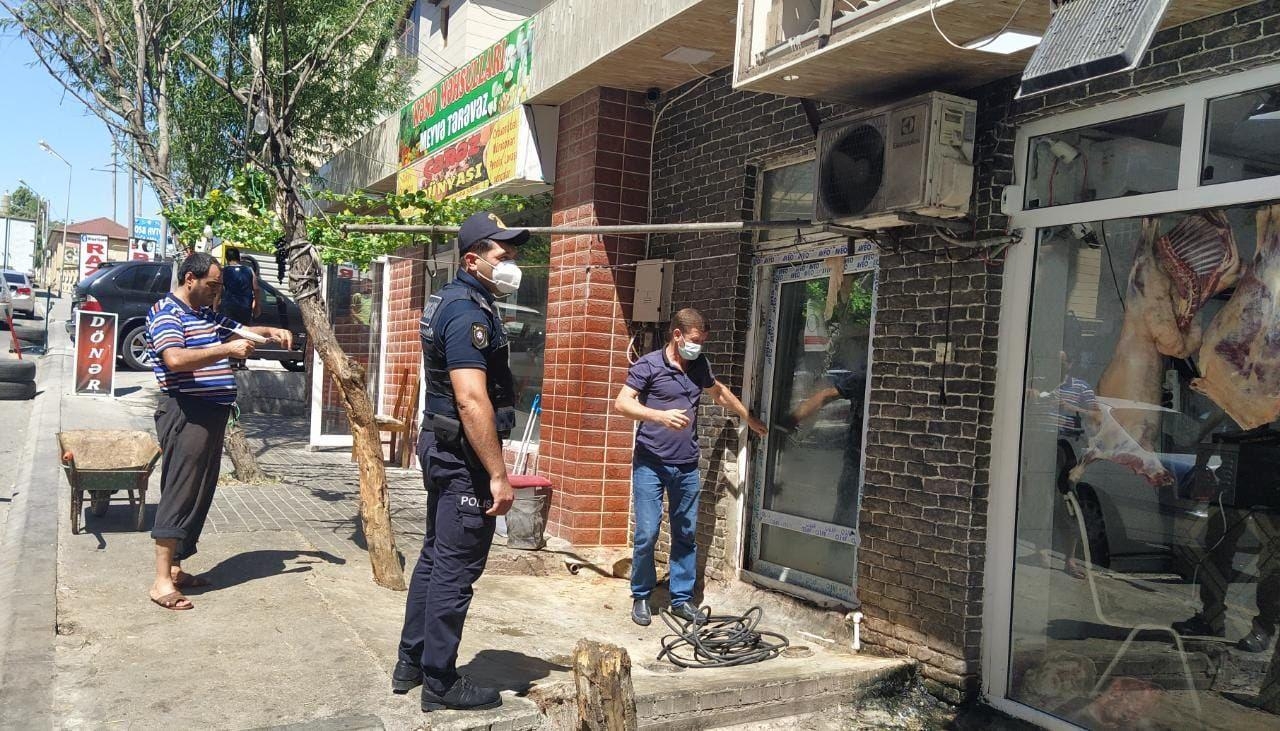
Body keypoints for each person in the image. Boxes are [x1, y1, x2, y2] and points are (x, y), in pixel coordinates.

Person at [394, 211, 526, 712]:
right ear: (473, 259)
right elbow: (472, 399)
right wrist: (497, 473)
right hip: (462, 456)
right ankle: (441, 682)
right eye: (502, 254)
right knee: (455, 567)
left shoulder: (457, 301)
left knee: (434, 557)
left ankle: (411, 662)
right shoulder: (467, 312)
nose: (511, 262)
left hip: (443, 446)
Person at [144, 252, 292, 611]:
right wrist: (227, 349)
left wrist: (268, 331)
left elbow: (238, 330)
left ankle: (176, 568)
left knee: (199, 492)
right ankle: (161, 580)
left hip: (210, 413)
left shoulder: (203, 314)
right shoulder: (168, 313)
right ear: (190, 279)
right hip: (186, 412)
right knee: (180, 490)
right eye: (212, 285)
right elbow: (175, 359)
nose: (217, 292)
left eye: (220, 286)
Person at [614, 308, 768, 626]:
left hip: (686, 466)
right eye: (695, 341)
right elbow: (622, 403)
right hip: (650, 464)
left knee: (685, 533)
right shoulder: (649, 365)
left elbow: (719, 392)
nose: (698, 347)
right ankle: (641, 595)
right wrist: (659, 416)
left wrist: (748, 418)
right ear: (678, 335)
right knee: (646, 532)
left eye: (702, 342)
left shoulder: (698, 365)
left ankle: (681, 599)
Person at [1173, 417, 1280, 653]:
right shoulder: (1247, 389)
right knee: (1216, 551)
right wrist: (1202, 462)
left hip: (1272, 487)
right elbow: (1217, 420)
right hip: (1233, 483)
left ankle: (1264, 627)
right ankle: (1211, 619)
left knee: (1271, 562)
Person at [219, 247, 260, 326]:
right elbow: (256, 289)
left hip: (228, 306)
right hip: (245, 306)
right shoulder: (249, 270)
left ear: (227, 258)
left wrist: (216, 304)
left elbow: (219, 289)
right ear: (239, 257)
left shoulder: (224, 271)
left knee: (229, 330)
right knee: (244, 330)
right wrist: (257, 306)